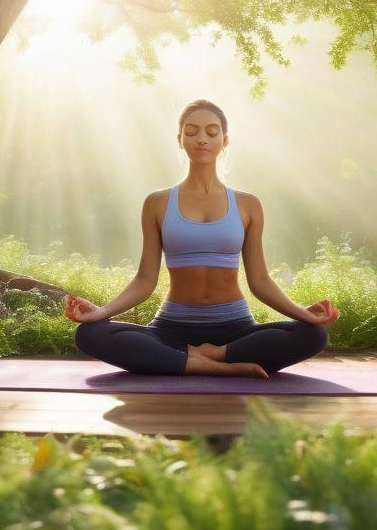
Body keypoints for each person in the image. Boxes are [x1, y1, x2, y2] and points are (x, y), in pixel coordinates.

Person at [66, 99, 340, 377]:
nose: (202, 139)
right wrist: (101, 312)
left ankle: (212, 356)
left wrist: (302, 315)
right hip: (172, 329)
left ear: (225, 140)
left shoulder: (248, 204)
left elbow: (260, 281)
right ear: (180, 138)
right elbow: (145, 280)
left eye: (212, 132)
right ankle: (207, 364)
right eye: (192, 131)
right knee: (90, 333)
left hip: (236, 329)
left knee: (313, 335)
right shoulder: (157, 203)